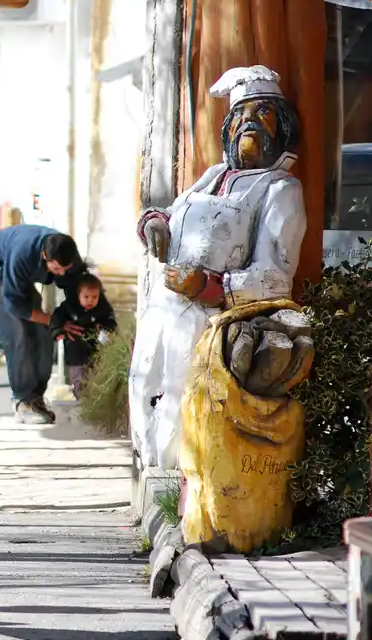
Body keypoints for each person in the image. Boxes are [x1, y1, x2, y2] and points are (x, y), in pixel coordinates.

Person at [130, 65, 305, 471]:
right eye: (242, 116)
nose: (250, 124)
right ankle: (149, 470)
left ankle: (174, 484)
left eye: (262, 115)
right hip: (162, 308)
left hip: (209, 319)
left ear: (282, 127)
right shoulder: (214, 176)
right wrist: (154, 223)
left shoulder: (281, 190)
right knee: (143, 383)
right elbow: (170, 214)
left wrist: (210, 287)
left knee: (181, 395)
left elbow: (276, 275)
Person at [0, 225, 83, 425]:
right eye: (56, 269)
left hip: (20, 279)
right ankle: (23, 401)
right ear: (44, 256)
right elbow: (15, 306)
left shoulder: (69, 256)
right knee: (17, 333)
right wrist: (54, 319)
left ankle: (36, 397)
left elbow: (74, 288)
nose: (60, 274)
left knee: (43, 332)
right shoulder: (22, 253)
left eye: (64, 270)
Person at [50, 272, 118, 397]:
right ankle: (81, 401)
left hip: (96, 353)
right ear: (78, 294)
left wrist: (106, 331)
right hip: (75, 353)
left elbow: (111, 322)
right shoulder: (69, 307)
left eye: (94, 297)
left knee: (95, 379)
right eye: (86, 297)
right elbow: (56, 318)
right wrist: (59, 331)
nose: (90, 300)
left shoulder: (103, 309)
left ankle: (93, 401)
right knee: (78, 379)